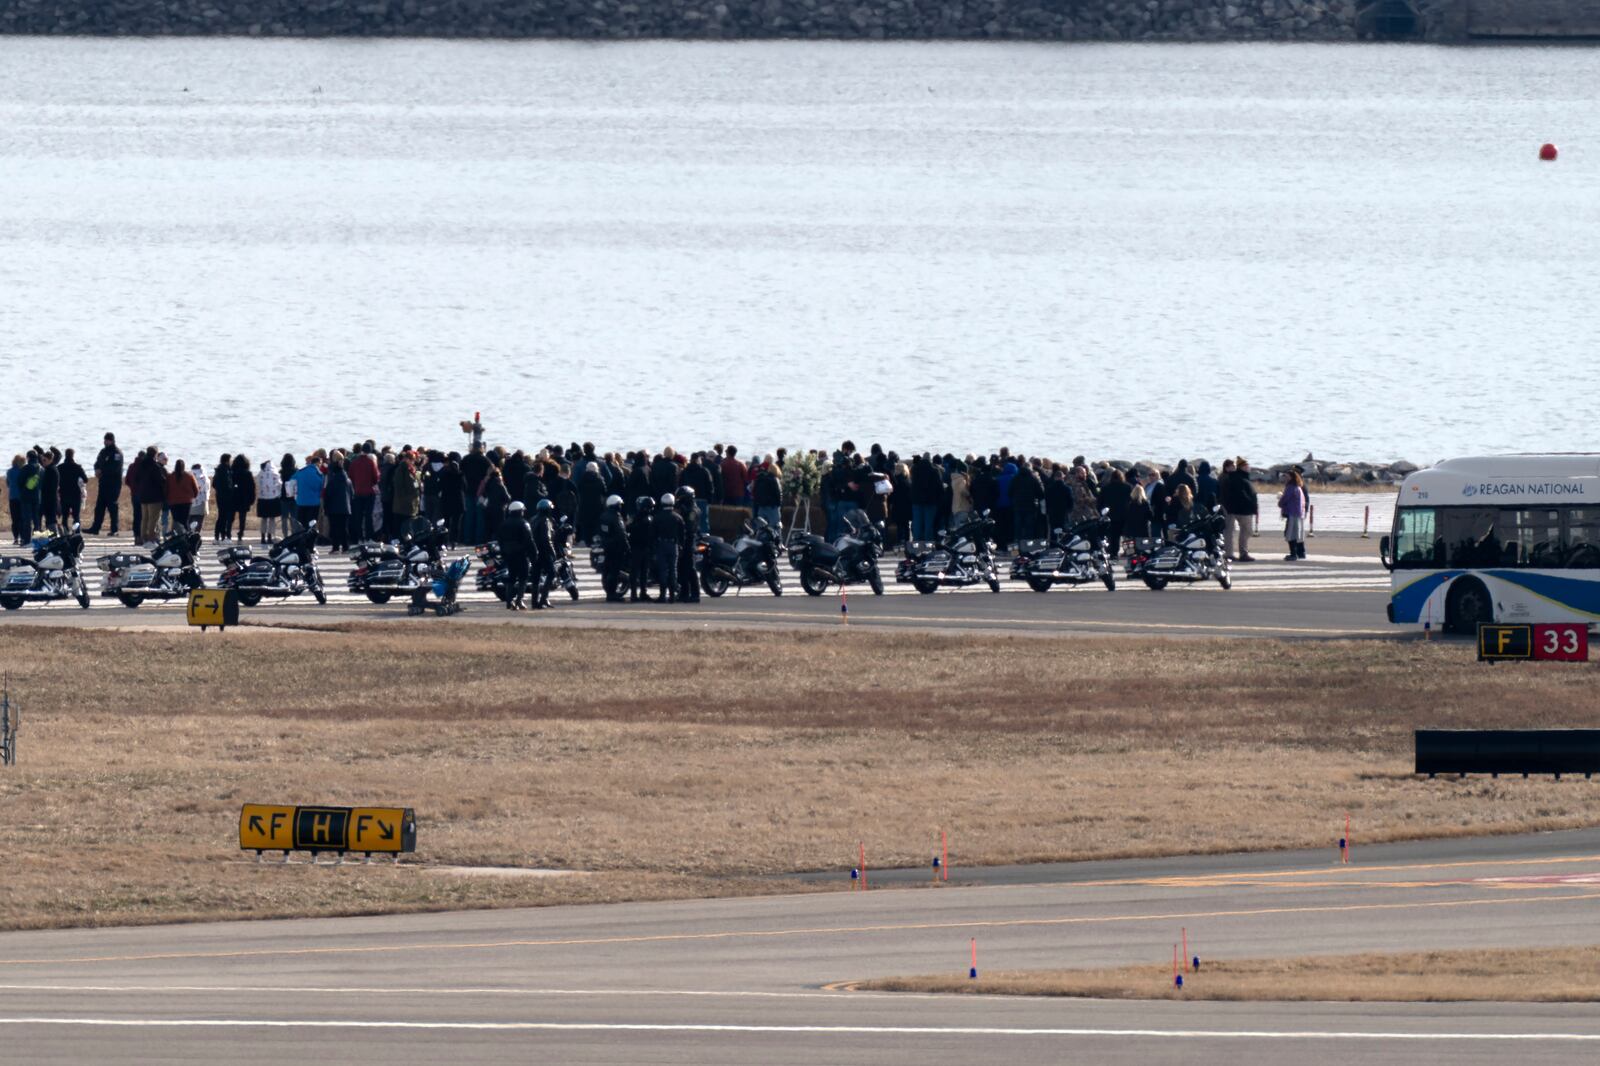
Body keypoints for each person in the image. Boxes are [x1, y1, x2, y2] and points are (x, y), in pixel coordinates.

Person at [496, 500, 534, 610]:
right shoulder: (524, 523)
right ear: (519, 511)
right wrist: (534, 553)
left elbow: (500, 540)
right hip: (521, 554)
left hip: (508, 555)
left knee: (511, 577)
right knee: (523, 577)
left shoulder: (503, 524)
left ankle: (509, 601)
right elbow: (529, 540)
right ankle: (519, 600)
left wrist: (504, 553)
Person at [1221, 456, 1259, 563]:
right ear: (1242, 467)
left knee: (1244, 532)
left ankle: (1240, 553)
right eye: (1246, 466)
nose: (1249, 467)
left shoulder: (1243, 478)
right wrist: (1250, 504)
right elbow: (1240, 494)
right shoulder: (1236, 478)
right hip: (1239, 509)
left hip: (1240, 509)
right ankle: (1235, 553)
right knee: (1235, 532)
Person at [597, 494, 630, 602]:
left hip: (606, 546)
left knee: (607, 571)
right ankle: (612, 594)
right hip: (616, 548)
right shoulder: (616, 517)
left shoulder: (603, 516)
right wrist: (627, 547)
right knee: (614, 572)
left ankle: (609, 593)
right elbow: (621, 534)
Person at [653, 492, 685, 603]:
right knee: (673, 570)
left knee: (663, 569)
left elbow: (653, 534)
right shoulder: (678, 518)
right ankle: (672, 595)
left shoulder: (657, 517)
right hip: (673, 545)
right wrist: (681, 546)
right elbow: (682, 534)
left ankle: (663, 595)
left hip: (661, 544)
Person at [89, 433, 123, 536]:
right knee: (99, 507)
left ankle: (114, 529)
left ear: (112, 441)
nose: (105, 442)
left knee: (112, 507)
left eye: (107, 440)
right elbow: (97, 463)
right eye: (105, 440)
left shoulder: (117, 453)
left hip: (113, 484)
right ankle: (95, 528)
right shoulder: (103, 452)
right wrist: (96, 470)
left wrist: (102, 471)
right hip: (103, 483)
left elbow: (114, 468)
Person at [530, 497, 558, 609]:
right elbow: (546, 539)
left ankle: (534, 602)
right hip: (544, 552)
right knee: (551, 573)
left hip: (535, 552)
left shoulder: (533, 519)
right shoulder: (546, 521)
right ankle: (543, 599)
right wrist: (553, 552)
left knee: (536, 578)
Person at [350, 444, 381, 543]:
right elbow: (375, 478)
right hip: (369, 492)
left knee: (358, 517)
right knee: (368, 516)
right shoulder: (370, 462)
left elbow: (351, 477)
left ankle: (359, 538)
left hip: (357, 492)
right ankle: (369, 537)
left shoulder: (354, 463)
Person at [628, 495, 656, 602]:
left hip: (640, 547)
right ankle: (636, 593)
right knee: (639, 572)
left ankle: (639, 593)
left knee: (642, 572)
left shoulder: (637, 518)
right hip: (640, 548)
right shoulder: (643, 519)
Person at [323, 457, 354, 552]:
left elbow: (328, 495)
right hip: (346, 507)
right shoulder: (348, 481)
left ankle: (335, 547)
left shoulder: (332, 481)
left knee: (334, 528)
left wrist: (326, 507)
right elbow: (352, 494)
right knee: (344, 528)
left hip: (333, 508)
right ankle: (345, 546)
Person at [675, 489, 700, 604]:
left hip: (689, 540)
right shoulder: (683, 508)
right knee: (681, 567)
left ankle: (695, 594)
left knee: (690, 568)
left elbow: (690, 527)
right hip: (683, 540)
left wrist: (682, 514)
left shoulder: (692, 511)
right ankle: (684, 592)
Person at [291, 456, 325, 532]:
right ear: (317, 463)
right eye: (320, 464)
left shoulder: (300, 472)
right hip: (314, 503)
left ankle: (302, 539)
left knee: (302, 524)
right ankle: (310, 540)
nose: (320, 465)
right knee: (312, 524)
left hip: (301, 502)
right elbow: (322, 488)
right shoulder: (319, 475)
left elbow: (291, 481)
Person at [1279, 469, 1307, 561]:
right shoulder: (1298, 487)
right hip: (1299, 513)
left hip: (1293, 513)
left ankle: (1293, 554)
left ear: (1291, 477)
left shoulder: (1291, 487)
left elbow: (1285, 499)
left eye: (1286, 476)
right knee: (1296, 533)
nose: (1285, 478)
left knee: (1290, 534)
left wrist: (1280, 502)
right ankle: (1300, 553)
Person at [165, 459, 198, 531]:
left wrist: (168, 498)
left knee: (176, 521)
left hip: (173, 502)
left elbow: (166, 489)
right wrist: (193, 497)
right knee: (185, 521)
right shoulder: (189, 476)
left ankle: (177, 537)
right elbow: (196, 489)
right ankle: (186, 537)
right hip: (186, 502)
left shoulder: (170, 477)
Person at [256, 459, 283, 543]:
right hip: (273, 499)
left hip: (262, 499)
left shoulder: (260, 473)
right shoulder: (275, 473)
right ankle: (270, 536)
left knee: (264, 519)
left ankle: (263, 537)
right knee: (272, 519)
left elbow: (257, 483)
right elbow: (280, 485)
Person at [229, 454, 255, 541]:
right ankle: (241, 533)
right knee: (242, 517)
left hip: (233, 497)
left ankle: (228, 531)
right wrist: (252, 499)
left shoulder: (232, 473)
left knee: (231, 517)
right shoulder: (248, 474)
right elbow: (252, 487)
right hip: (244, 499)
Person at [58, 448, 87, 527]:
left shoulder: (60, 467)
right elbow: (85, 479)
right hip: (75, 494)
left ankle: (65, 533)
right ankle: (77, 533)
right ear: (73, 455)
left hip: (64, 493)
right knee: (76, 516)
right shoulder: (77, 467)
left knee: (65, 516)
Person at [753, 460, 783, 533]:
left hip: (761, 506)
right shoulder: (775, 480)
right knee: (776, 528)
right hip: (772, 507)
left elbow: (754, 491)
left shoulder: (760, 478)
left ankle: (760, 542)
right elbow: (778, 493)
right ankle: (777, 543)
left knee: (760, 528)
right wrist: (779, 505)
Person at [212, 454, 234, 541]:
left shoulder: (218, 470)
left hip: (219, 496)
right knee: (225, 516)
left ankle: (217, 534)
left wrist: (218, 490)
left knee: (221, 515)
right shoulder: (226, 470)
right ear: (227, 460)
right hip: (226, 496)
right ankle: (223, 534)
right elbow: (227, 484)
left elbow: (214, 484)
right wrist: (232, 489)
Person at [190, 462, 209, 532]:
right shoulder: (204, 477)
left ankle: (189, 534)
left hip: (190, 501)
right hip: (202, 501)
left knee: (190, 519)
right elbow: (207, 488)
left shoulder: (189, 476)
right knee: (199, 519)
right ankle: (196, 534)